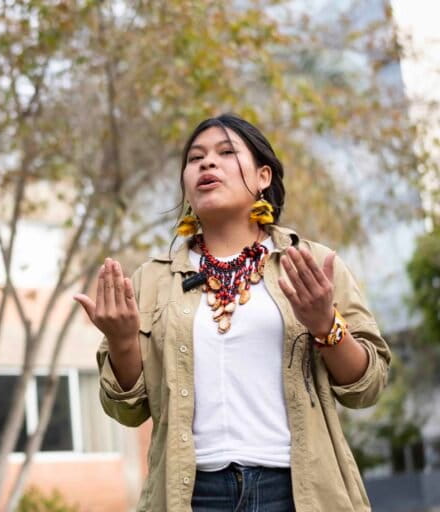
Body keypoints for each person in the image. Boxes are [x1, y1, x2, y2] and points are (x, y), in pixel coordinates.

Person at [74, 113, 390, 512]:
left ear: (263, 177)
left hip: (296, 492)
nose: (207, 163)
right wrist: (121, 342)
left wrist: (326, 326)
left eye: (226, 152)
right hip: (191, 494)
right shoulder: (150, 281)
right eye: (195, 158)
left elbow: (368, 386)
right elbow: (127, 410)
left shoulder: (313, 264)